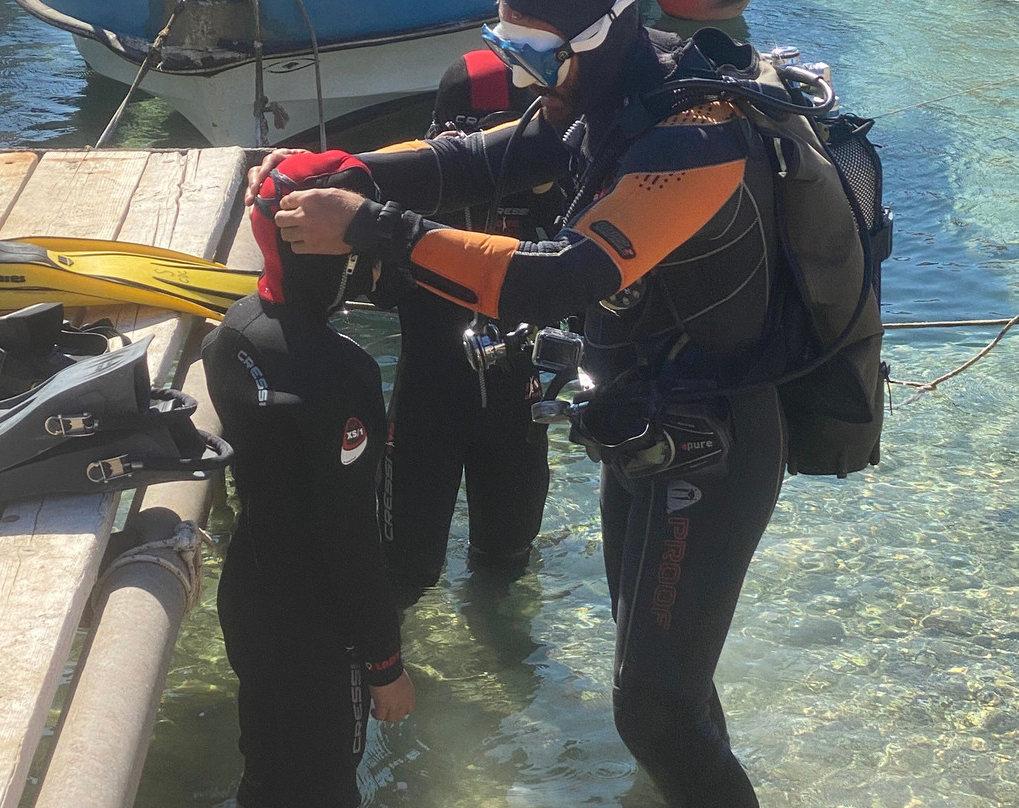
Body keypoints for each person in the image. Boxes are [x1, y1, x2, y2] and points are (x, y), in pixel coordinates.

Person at [246, 2, 792, 804]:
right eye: (508, 52)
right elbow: (478, 159)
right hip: (640, 426)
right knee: (662, 681)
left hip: (718, 443)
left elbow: (561, 276)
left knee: (651, 707)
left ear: (598, 41)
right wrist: (347, 169)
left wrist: (374, 227)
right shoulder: (608, 99)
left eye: (538, 58)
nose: (526, 79)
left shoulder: (700, 131)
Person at [202, 152, 415, 808]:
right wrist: (385, 665)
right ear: (339, 253)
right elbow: (350, 536)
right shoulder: (341, 373)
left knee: (266, 769)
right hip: (318, 629)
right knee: (325, 784)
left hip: (252, 598)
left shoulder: (233, 331)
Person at [373, 50, 560, 593]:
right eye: (472, 144)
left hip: (512, 401)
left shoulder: (557, 187)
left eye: (504, 144)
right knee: (405, 575)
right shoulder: (407, 183)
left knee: (506, 564)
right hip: (429, 401)